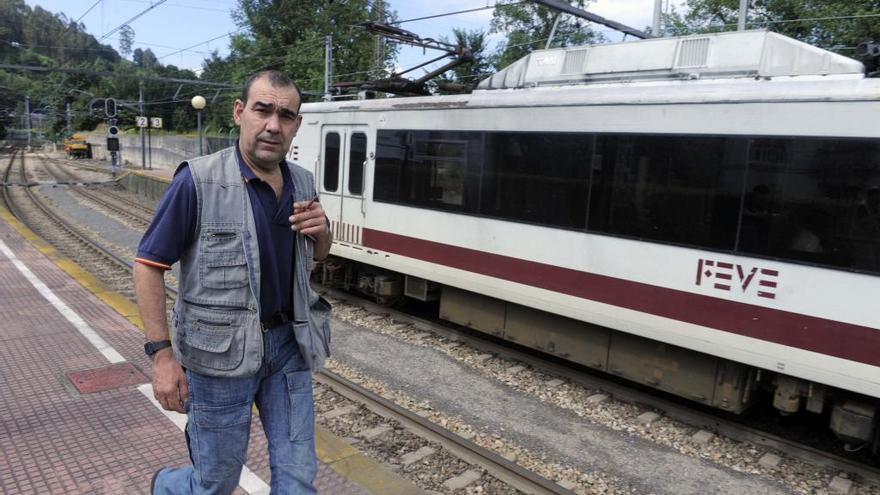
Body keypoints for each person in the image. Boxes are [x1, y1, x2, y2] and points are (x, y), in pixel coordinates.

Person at [133, 70, 332, 494]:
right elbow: (148, 264)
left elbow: (314, 256)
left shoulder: (303, 182)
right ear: (240, 113)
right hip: (218, 357)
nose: (272, 125)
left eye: (285, 115)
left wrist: (324, 232)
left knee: (298, 479)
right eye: (262, 110)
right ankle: (168, 486)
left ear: (296, 124)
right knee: (216, 483)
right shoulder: (197, 181)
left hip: (289, 347)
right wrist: (162, 356)